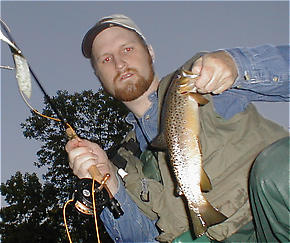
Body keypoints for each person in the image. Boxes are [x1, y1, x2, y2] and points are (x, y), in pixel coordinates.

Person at [66, 14, 289, 243]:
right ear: (99, 78)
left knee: (278, 167)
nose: (120, 63)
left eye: (127, 49)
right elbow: (146, 238)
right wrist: (109, 186)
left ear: (150, 51)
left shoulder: (199, 76)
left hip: (274, 212)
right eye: (105, 59)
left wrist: (238, 64)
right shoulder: (124, 162)